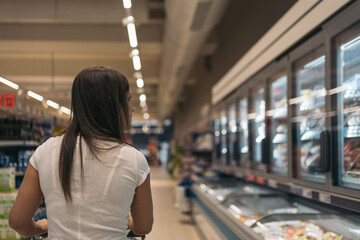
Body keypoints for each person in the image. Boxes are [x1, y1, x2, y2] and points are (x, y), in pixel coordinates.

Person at [9, 66, 153, 239]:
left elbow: (18, 222)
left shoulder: (45, 151)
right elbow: (143, 226)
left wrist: (40, 227)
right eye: (128, 99)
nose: (132, 108)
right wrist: (130, 221)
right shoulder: (134, 159)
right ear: (111, 105)